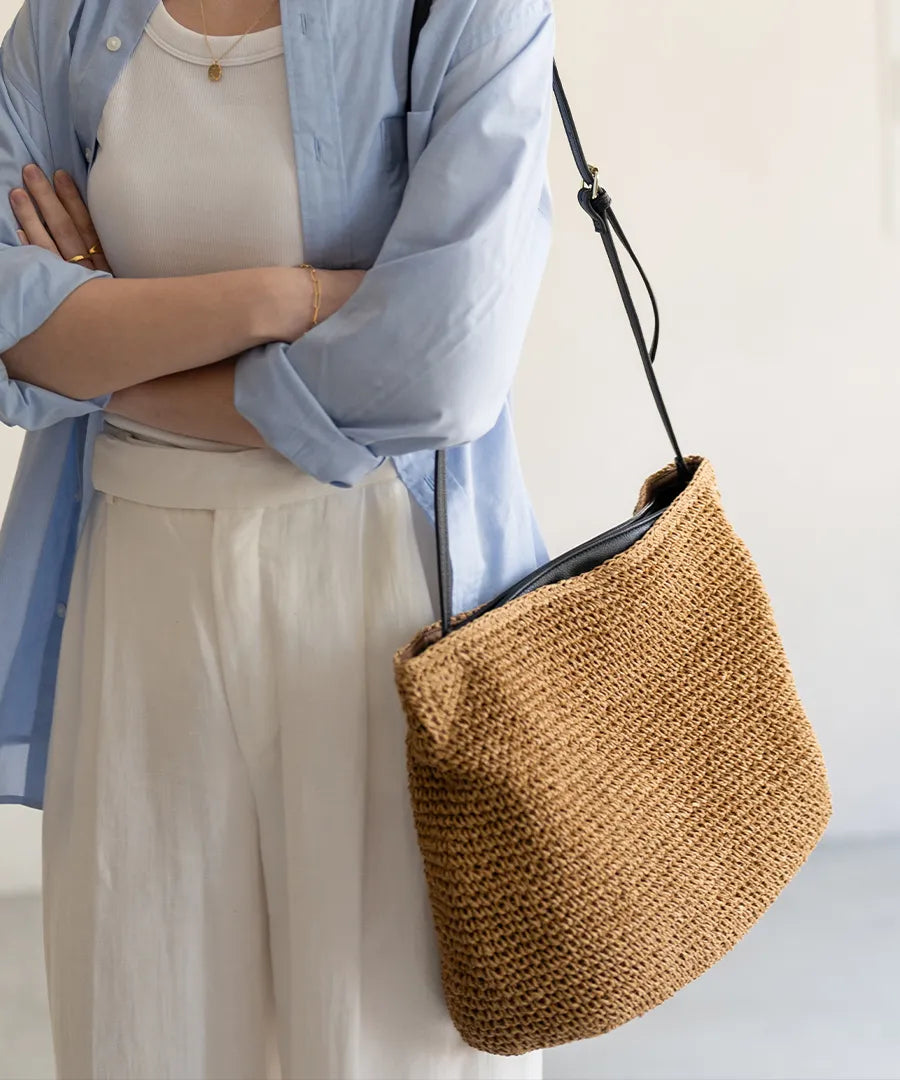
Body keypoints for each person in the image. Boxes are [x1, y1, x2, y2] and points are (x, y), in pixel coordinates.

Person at [0, 0, 555, 1075]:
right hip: (134, 603)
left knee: (395, 1045)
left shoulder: (471, 11)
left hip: (383, 608)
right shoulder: (71, 20)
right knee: (143, 1033)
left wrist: (114, 340)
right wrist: (290, 298)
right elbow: (16, 333)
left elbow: (443, 368)